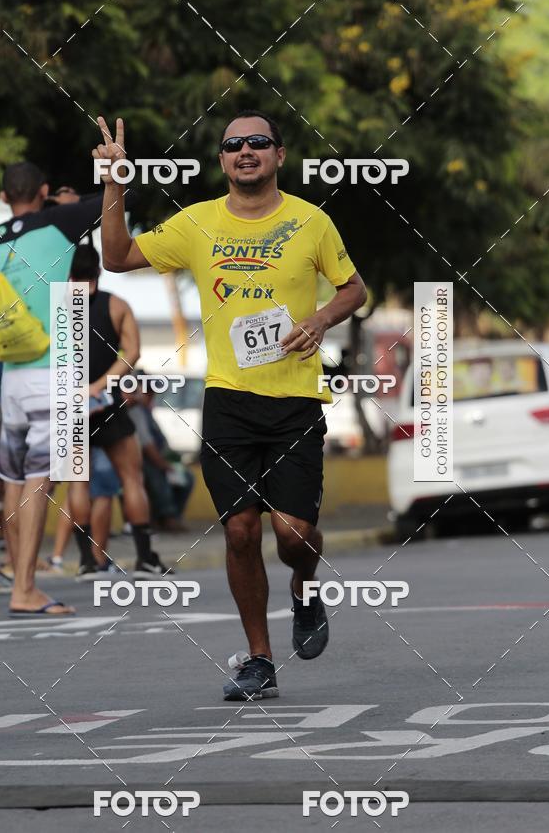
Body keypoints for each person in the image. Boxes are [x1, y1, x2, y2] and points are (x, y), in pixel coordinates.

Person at [94, 110, 367, 700]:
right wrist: (115, 184)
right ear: (222, 161)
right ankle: (258, 659)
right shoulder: (196, 224)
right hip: (227, 403)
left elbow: (355, 288)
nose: (246, 151)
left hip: (294, 401)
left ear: (279, 155)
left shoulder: (310, 222)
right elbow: (116, 258)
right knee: (240, 531)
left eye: (258, 143)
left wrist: (321, 317)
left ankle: (306, 588)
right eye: (234, 145)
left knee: (293, 536)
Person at [0, 163, 116, 615]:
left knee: (15, 481)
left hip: (8, 374)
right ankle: (25, 589)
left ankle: (22, 576)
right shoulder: (59, 221)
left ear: (3, 193)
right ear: (42, 190)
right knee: (43, 478)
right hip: (54, 369)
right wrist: (75, 201)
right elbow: (120, 200)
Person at [67, 243, 172, 579]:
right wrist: (101, 384)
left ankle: (86, 563)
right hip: (109, 404)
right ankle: (145, 559)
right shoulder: (117, 304)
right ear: (98, 269)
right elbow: (134, 352)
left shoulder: (56, 307)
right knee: (132, 478)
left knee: (77, 483)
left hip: (69, 406)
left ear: (68, 273)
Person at [126, 379, 194, 532]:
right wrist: (163, 464)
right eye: (147, 393)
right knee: (157, 475)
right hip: (143, 460)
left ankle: (174, 516)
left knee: (186, 477)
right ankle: (166, 517)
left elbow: (161, 441)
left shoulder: (147, 412)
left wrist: (170, 461)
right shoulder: (135, 411)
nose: (149, 397)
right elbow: (147, 445)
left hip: (158, 457)